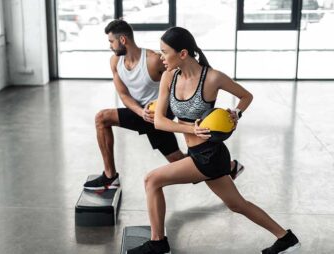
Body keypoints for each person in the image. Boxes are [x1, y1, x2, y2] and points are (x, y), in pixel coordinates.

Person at [127, 27, 301, 254]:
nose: (160, 57)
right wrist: (191, 128)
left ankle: (158, 243)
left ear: (182, 54)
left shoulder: (212, 77)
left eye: (164, 52)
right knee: (237, 204)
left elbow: (246, 96)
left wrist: (236, 114)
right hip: (199, 154)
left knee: (152, 180)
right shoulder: (169, 76)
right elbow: (159, 122)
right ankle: (286, 238)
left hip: (209, 155)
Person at [83, 20, 244, 191]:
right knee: (102, 118)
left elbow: (178, 81)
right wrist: (140, 111)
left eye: (111, 42)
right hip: (142, 114)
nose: (110, 46)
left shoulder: (153, 60)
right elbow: (123, 94)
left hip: (159, 115)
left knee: (180, 162)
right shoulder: (115, 62)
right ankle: (110, 176)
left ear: (122, 40)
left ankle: (227, 166)